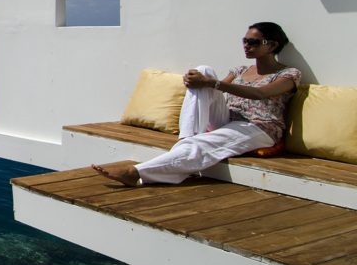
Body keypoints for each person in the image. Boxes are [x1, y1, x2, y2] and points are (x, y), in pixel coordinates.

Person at [92, 22, 300, 186]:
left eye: (254, 42)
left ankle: (134, 172)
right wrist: (199, 81)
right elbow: (212, 90)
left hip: (258, 128)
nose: (247, 45)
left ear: (272, 45)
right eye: (245, 40)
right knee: (204, 70)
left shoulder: (288, 74)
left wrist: (210, 83)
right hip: (228, 119)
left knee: (207, 84)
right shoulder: (239, 70)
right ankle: (187, 137)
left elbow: (260, 94)